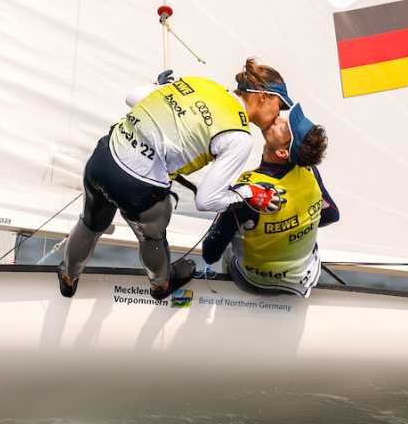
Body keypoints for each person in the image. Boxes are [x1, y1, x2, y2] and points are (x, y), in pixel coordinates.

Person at [59, 59, 295, 301]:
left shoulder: (201, 83)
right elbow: (206, 200)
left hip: (104, 157)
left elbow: (133, 97)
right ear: (263, 96)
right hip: (136, 185)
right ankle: (161, 284)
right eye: (280, 104)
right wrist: (250, 194)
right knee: (153, 231)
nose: (280, 113)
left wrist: (160, 88)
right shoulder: (240, 137)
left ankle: (68, 278)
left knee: (91, 222)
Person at [202, 104, 338, 299]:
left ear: (283, 152)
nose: (278, 119)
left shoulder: (247, 191)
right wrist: (293, 227)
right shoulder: (310, 172)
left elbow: (210, 253)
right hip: (304, 277)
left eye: (284, 127)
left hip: (254, 282)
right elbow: (331, 215)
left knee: (231, 239)